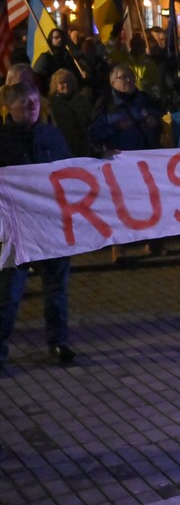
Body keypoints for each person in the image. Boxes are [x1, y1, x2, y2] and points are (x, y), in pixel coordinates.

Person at [0, 82, 76, 370]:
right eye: (24, 102)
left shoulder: (51, 135)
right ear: (9, 108)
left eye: (34, 100)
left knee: (56, 289)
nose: (32, 106)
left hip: (51, 226)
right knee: (8, 294)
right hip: (15, 230)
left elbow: (71, 172)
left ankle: (58, 342)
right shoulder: (2, 139)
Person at [89, 64, 167, 262]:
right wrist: (114, 128)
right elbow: (93, 133)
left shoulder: (145, 99)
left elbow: (160, 119)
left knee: (150, 201)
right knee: (119, 205)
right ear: (112, 82)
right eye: (123, 78)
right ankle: (119, 247)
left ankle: (152, 242)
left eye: (131, 77)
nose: (128, 81)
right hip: (119, 163)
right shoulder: (105, 103)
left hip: (145, 159)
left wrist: (155, 122)